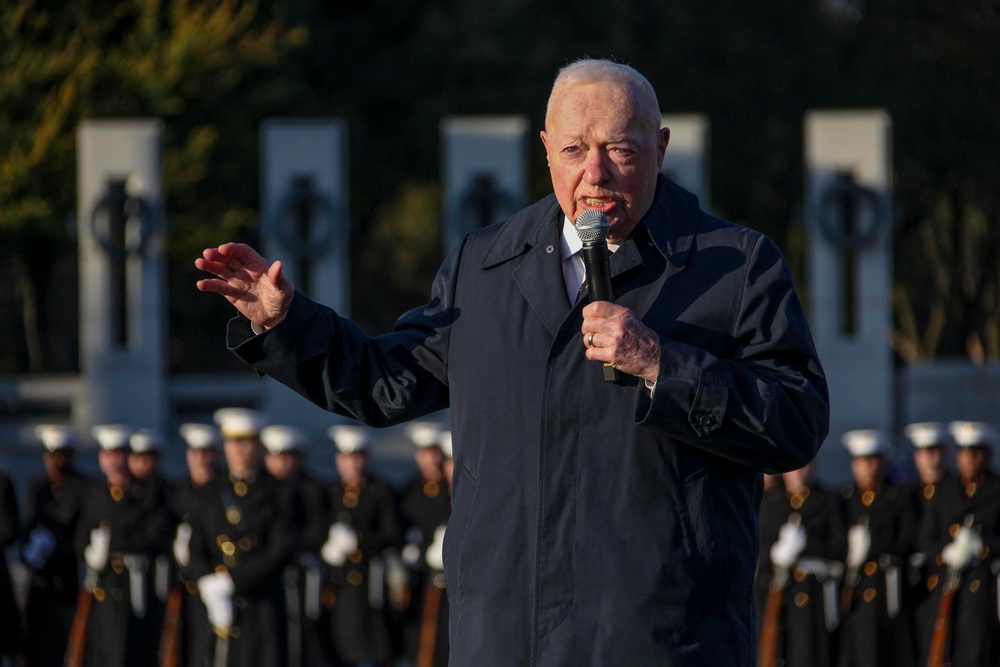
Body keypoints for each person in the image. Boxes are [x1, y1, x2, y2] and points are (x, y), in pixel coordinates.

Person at [195, 58, 829, 665]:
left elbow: (796, 420)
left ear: (661, 148)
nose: (596, 174)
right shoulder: (484, 265)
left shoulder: (734, 266)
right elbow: (383, 383)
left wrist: (663, 364)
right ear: (546, 149)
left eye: (622, 150)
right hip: (507, 632)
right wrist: (284, 321)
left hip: (660, 634)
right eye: (576, 149)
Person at [187, 407, 297, 667]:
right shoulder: (211, 492)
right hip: (217, 602)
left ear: (258, 445)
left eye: (245, 442)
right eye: (232, 442)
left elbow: (280, 550)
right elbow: (196, 544)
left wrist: (232, 581)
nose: (237, 449)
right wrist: (206, 583)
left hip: (261, 604)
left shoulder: (279, 492)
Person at [75, 424, 172, 667]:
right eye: (107, 453)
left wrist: (112, 543)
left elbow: (155, 534)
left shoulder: (146, 491)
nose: (112, 460)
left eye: (118, 453)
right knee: (101, 649)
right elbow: (82, 533)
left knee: (134, 649)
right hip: (103, 582)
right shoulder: (95, 492)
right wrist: (89, 551)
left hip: (134, 583)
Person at [917, 421, 1000, 667]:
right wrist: (945, 553)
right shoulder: (945, 490)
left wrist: (982, 548)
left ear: (987, 455)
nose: (970, 458)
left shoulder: (996, 490)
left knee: (976, 649)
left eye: (976, 452)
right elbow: (926, 537)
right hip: (947, 583)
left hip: (982, 585)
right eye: (964, 452)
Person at [322, 425, 401, 667]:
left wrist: (359, 541)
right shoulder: (329, 491)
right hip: (339, 581)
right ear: (338, 459)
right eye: (347, 457)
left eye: (358, 457)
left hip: (372, 579)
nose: (353, 464)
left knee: (374, 641)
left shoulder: (380, 490)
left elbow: (392, 533)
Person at [837, 429, 917, 667]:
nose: (868, 466)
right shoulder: (845, 497)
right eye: (861, 460)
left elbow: (908, 537)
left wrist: (873, 547)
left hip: (887, 587)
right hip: (855, 587)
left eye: (873, 459)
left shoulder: (898, 495)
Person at [756, 462, 845, 667]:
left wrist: (806, 545)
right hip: (776, 589)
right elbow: (760, 543)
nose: (798, 473)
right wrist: (774, 552)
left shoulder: (826, 500)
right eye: (793, 468)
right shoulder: (772, 501)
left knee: (807, 652)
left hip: (811, 592)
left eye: (804, 467)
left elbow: (838, 546)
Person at [260, 424, 334, 667]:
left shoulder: (312, 488)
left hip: (301, 570)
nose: (282, 463)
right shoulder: (259, 488)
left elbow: (317, 528)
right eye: (276, 456)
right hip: (265, 571)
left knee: (305, 633)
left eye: (288, 456)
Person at [22, 425, 92, 667]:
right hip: (41, 581)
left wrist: (57, 547)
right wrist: (30, 552)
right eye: (50, 455)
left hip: (69, 580)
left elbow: (82, 534)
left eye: (60, 455)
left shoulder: (83, 488)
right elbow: (27, 525)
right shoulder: (38, 487)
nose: (54, 461)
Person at [168, 423, 224, 667]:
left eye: (207, 452)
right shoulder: (178, 493)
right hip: (184, 587)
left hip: (215, 583)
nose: (201, 459)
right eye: (195, 452)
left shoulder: (224, 490)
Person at [398, 422, 451, 667]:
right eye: (424, 452)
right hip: (420, 576)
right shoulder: (410, 488)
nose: (430, 459)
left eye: (434, 453)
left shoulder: (449, 491)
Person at [900, 421, 953, 663]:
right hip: (911, 583)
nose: (930, 457)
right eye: (924, 451)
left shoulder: (955, 490)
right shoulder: (905, 493)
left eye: (935, 450)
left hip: (945, 576)